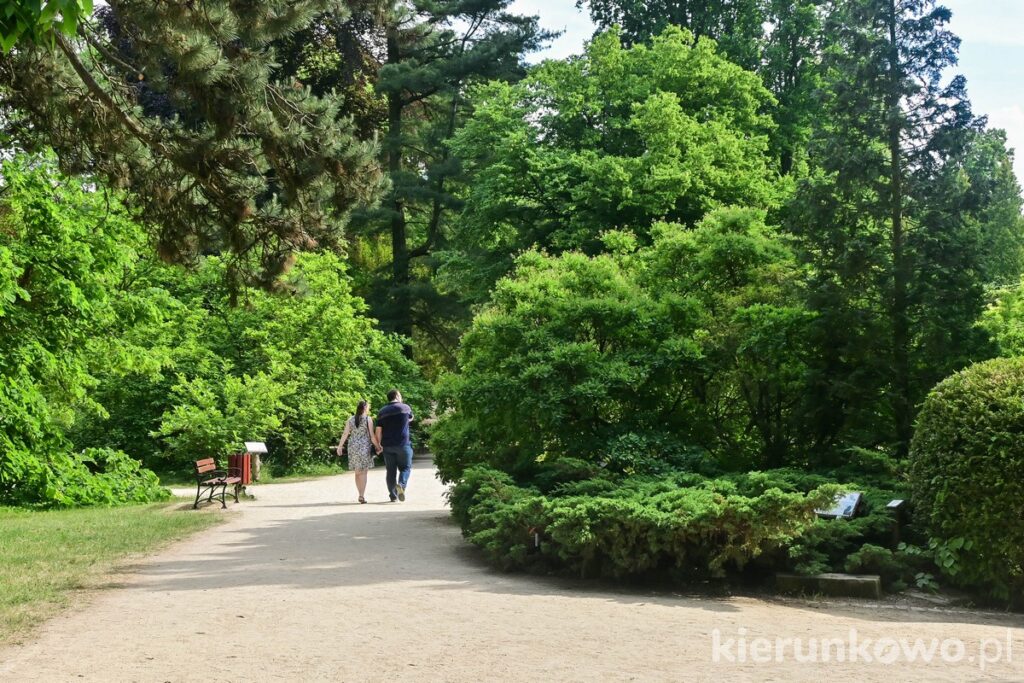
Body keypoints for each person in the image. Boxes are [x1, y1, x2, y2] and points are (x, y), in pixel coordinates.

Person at [337, 399, 382, 503]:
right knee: (364, 472)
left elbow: (345, 434)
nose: (369, 408)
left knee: (357, 472)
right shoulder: (368, 419)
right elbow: (372, 436)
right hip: (364, 447)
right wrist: (378, 447)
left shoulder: (350, 419)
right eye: (369, 406)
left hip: (352, 447)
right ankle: (361, 495)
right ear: (365, 407)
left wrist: (340, 446)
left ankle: (360, 494)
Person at [375, 389, 414, 502]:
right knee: (406, 468)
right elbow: (410, 418)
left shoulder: (382, 411)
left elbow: (378, 430)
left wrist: (378, 445)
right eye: (400, 395)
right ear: (397, 396)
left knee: (390, 471)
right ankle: (401, 485)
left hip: (387, 446)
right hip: (403, 444)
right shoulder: (405, 408)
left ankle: (393, 496)